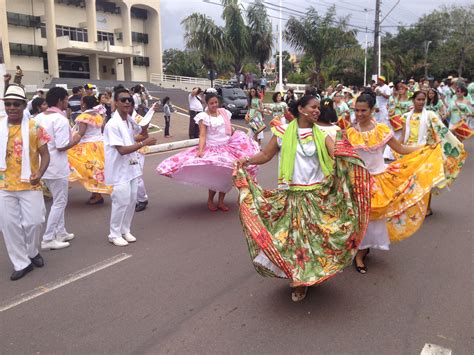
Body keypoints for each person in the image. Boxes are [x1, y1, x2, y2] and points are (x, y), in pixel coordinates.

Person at [234, 95, 371, 302]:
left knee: (315, 241)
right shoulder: (282, 132)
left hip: (317, 197)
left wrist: (355, 163)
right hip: (291, 196)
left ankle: (309, 276)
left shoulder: (324, 134)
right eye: (313, 107)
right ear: (300, 108)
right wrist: (246, 160)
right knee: (295, 242)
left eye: (318, 108)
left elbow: (338, 155)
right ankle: (300, 281)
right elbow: (265, 155)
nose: (317, 111)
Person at [346, 90, 445, 274]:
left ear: (372, 110)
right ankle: (360, 249)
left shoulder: (382, 130)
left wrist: (425, 147)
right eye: (357, 111)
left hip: (378, 179)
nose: (359, 115)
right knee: (358, 219)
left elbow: (401, 148)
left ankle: (361, 252)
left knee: (372, 218)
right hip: (356, 180)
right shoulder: (350, 132)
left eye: (363, 111)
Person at [157, 91, 258, 212]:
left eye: (216, 102)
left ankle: (221, 201)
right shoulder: (204, 117)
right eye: (211, 103)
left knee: (228, 176)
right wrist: (200, 150)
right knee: (215, 178)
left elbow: (229, 129)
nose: (214, 105)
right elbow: (203, 135)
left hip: (227, 148)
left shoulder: (225, 113)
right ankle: (210, 200)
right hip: (213, 149)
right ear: (207, 103)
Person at [0, 84, 50, 280]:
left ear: (23, 105)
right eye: (8, 104)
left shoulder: (34, 127)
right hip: (3, 185)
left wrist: (39, 172)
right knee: (9, 226)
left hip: (29, 183)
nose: (11, 108)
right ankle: (22, 262)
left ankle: (32, 252)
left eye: (16, 104)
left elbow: (45, 155)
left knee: (34, 221)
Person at [103, 88, 156, 247]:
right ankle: (114, 233)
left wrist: (146, 123)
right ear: (116, 103)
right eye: (123, 100)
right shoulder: (112, 124)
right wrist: (142, 144)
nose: (127, 102)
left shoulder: (129, 120)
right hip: (119, 170)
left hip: (131, 167)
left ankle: (125, 230)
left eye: (129, 100)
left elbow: (141, 134)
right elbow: (122, 150)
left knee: (132, 200)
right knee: (121, 201)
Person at [399, 90, 467, 215]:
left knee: (426, 181)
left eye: (422, 99)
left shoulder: (430, 115)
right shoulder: (405, 116)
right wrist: (397, 149)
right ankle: (412, 206)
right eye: (418, 99)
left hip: (426, 151)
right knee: (410, 181)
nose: (421, 102)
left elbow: (440, 131)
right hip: (409, 153)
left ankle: (426, 208)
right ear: (413, 100)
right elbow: (403, 136)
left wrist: (439, 145)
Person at [35, 87, 79, 250]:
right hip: (56, 166)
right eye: (66, 100)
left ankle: (60, 232)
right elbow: (61, 146)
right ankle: (48, 238)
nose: (67, 103)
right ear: (60, 100)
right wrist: (76, 139)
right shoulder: (59, 119)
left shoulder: (39, 117)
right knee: (60, 201)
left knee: (57, 200)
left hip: (43, 165)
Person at [68, 95, 112, 205]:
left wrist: (70, 144)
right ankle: (96, 193)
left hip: (88, 146)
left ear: (84, 104)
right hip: (100, 145)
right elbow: (103, 129)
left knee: (89, 170)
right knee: (97, 170)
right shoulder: (98, 115)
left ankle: (97, 194)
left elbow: (80, 133)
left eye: (81, 101)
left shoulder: (84, 116)